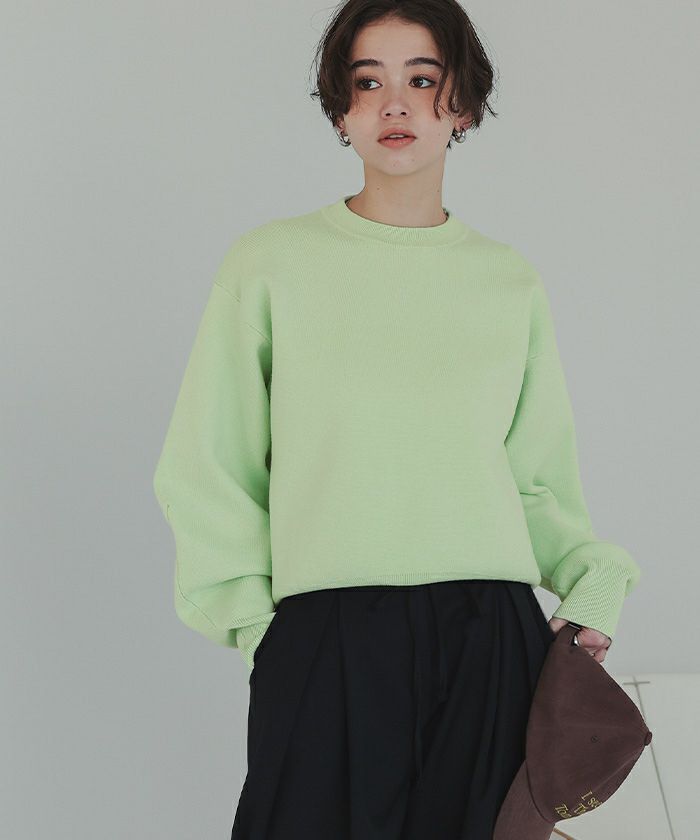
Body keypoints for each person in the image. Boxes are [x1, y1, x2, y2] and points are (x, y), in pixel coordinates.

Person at [152, 1, 641, 837]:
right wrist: (264, 631)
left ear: (464, 105)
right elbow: (210, 463)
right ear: (340, 111)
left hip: (489, 636)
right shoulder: (269, 265)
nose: (394, 104)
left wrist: (595, 583)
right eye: (367, 82)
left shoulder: (506, 281)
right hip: (324, 633)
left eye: (422, 79)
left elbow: (536, 478)